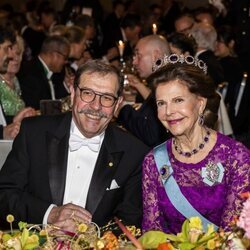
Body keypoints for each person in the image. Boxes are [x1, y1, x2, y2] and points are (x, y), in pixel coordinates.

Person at [0, 60, 149, 230]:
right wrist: (50, 214)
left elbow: (130, 222)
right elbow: (5, 195)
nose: (95, 106)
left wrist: (96, 236)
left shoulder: (134, 153)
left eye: (107, 98)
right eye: (87, 93)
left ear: (117, 104)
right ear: (72, 93)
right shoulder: (34, 133)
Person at [141, 54, 250, 234]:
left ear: (200, 104)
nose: (168, 112)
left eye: (178, 100)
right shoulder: (153, 161)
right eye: (161, 103)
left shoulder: (236, 157)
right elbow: (152, 233)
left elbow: (234, 235)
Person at [116, 35, 171, 147]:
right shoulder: (166, 79)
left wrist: (121, 110)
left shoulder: (168, 84)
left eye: (138, 55)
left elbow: (151, 135)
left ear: (156, 56)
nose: (134, 62)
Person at [18, 35, 70, 109]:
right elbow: (36, 108)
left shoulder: (54, 73)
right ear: (54, 55)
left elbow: (54, 98)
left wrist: (66, 85)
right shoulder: (30, 73)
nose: (66, 62)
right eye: (65, 58)